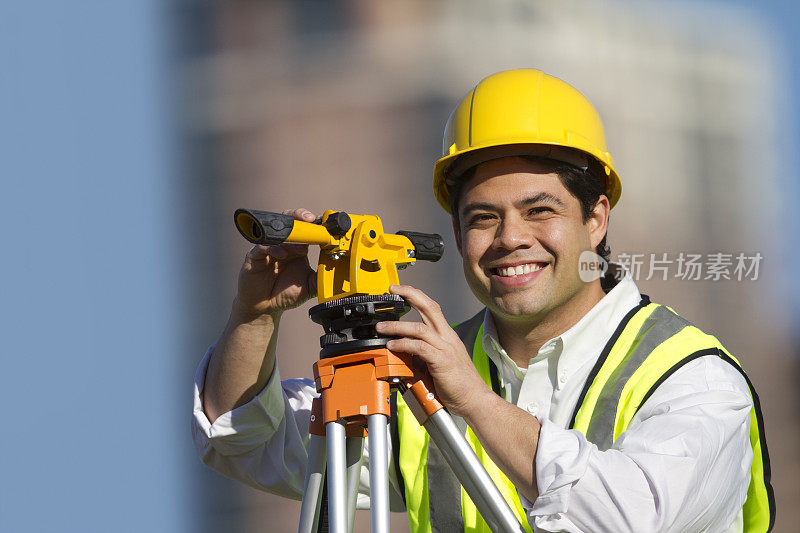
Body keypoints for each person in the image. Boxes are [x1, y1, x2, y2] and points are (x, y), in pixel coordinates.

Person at [192, 69, 774, 532]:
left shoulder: (693, 378)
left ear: (596, 218)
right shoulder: (420, 373)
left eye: (539, 210)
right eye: (483, 218)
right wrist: (254, 318)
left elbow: (630, 519)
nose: (510, 238)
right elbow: (242, 441)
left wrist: (472, 401)